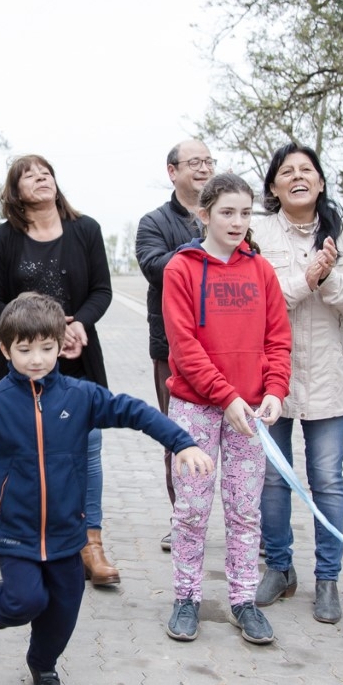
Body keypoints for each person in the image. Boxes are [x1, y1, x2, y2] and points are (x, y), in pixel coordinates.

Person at [0, 293, 212, 685]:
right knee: (25, 600)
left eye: (46, 348)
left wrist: (182, 442)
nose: (36, 360)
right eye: (24, 350)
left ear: (61, 345)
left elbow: (135, 411)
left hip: (68, 531)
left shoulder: (80, 397)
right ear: (5, 349)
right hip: (16, 531)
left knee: (64, 608)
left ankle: (42, 663)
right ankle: (1, 603)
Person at [162, 172, 291, 645]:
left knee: (244, 511)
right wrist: (226, 395)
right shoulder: (181, 269)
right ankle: (186, 598)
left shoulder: (261, 271)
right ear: (205, 215)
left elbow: (278, 339)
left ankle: (243, 600)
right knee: (192, 510)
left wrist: (274, 390)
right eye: (227, 212)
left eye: (245, 213)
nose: (237, 222)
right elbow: (185, 348)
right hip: (195, 409)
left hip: (249, 412)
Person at [0, 155, 119, 586]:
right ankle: (29, 542)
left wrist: (78, 325)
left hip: (78, 358)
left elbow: (101, 290)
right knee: (27, 451)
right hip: (26, 363)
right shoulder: (3, 239)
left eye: (46, 172)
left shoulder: (85, 230)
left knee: (87, 449)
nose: (41, 178)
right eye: (29, 175)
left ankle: (90, 544)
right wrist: (36, 331)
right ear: (15, 192)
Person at [253, 143, 343, 624]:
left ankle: (328, 578)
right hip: (272, 377)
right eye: (287, 171)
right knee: (272, 477)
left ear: (321, 182)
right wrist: (307, 279)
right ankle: (279, 567)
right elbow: (259, 302)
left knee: (327, 479)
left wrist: (329, 279)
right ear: (274, 186)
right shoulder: (258, 233)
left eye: (307, 170)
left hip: (329, 378)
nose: (298, 177)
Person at [136, 139, 210, 552]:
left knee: (242, 439)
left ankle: (249, 527)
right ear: (173, 171)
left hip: (227, 346)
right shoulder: (154, 223)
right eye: (194, 162)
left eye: (208, 161)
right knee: (178, 434)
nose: (203, 168)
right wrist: (206, 250)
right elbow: (155, 267)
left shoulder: (228, 214)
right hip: (173, 348)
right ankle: (183, 520)